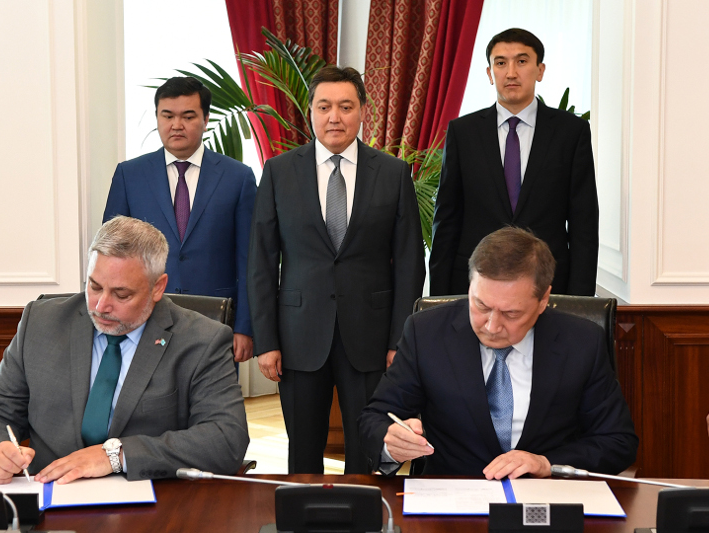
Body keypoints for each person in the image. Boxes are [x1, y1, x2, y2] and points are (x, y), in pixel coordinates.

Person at [0, 216, 249, 484]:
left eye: (121, 294)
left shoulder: (202, 340)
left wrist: (116, 456)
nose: (101, 306)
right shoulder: (41, 323)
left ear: (157, 287)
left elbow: (226, 439)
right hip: (51, 496)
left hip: (150, 501)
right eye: (94, 286)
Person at [248, 66, 425, 475]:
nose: (335, 117)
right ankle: (302, 510)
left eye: (346, 106)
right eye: (324, 106)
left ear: (363, 111)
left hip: (370, 336)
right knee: (302, 452)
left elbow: (409, 262)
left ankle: (364, 509)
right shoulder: (278, 171)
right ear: (309, 111)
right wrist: (266, 340)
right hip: (298, 336)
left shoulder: (393, 173)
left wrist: (399, 340)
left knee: (367, 449)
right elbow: (260, 261)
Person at [360, 227, 637, 478]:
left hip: (545, 496)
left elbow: (618, 442)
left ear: (543, 300)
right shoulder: (426, 333)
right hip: (453, 495)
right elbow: (375, 418)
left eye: (511, 313)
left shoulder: (582, 342)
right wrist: (390, 442)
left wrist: (546, 463)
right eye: (481, 306)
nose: (492, 326)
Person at [429, 28, 598, 297]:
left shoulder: (571, 132)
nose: (510, 73)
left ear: (540, 70)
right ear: (489, 73)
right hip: (475, 282)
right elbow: (447, 220)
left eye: (521, 61)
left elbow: (584, 223)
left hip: (548, 283)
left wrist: (580, 301)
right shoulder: (463, 132)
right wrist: (439, 299)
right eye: (500, 63)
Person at [104, 76, 257, 363]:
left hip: (216, 322)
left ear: (205, 119)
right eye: (168, 116)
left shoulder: (238, 177)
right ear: (157, 118)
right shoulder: (130, 175)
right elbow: (112, 255)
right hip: (144, 319)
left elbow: (250, 260)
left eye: (188, 116)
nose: (177, 125)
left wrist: (245, 327)